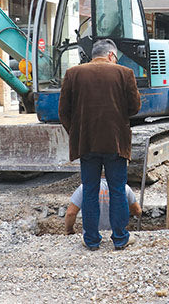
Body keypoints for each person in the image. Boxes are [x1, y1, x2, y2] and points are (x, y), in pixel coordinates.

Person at [58, 39, 141, 251]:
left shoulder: (73, 73)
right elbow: (135, 108)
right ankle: (120, 238)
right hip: (116, 142)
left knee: (90, 190)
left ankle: (92, 240)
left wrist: (76, 133)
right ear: (111, 55)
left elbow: (63, 112)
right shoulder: (124, 73)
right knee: (117, 190)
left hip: (86, 143)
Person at [65, 175, 142, 235]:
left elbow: (71, 213)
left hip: (91, 237)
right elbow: (137, 211)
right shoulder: (124, 188)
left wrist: (69, 230)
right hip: (115, 236)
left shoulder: (84, 188)